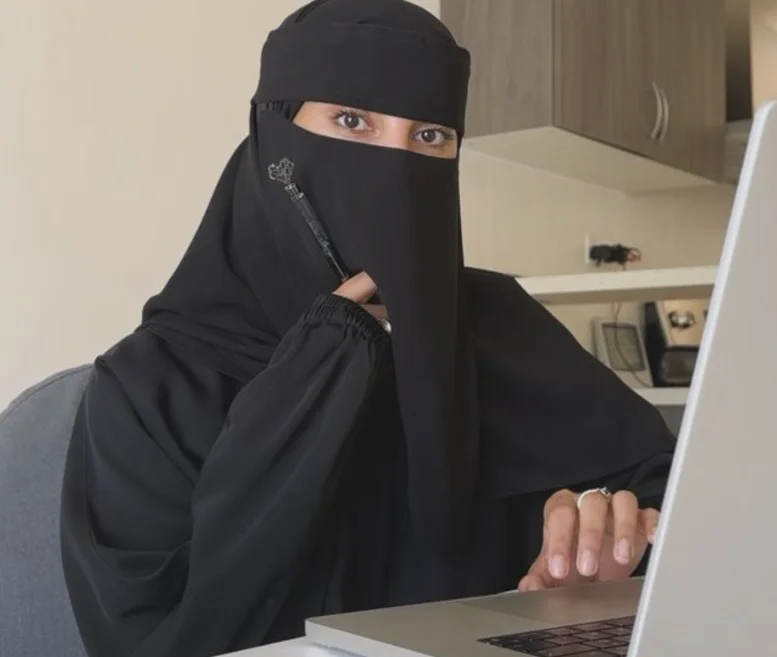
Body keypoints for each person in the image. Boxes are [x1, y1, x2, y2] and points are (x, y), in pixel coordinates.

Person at [58, 1, 677, 655]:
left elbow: (672, 495)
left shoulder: (498, 324)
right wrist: (320, 367)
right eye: (352, 121)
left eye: (430, 136)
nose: (397, 168)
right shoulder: (151, 388)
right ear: (274, 137)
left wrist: (605, 539)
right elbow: (161, 640)